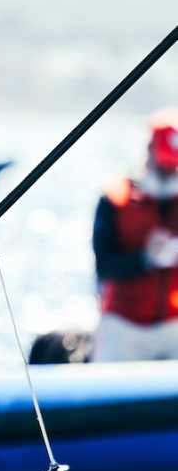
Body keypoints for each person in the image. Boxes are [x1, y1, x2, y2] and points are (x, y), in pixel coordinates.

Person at [92, 108, 178, 361]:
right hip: (122, 325)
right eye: (164, 166)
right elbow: (104, 265)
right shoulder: (115, 199)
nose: (170, 172)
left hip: (173, 324)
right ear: (149, 153)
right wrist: (145, 259)